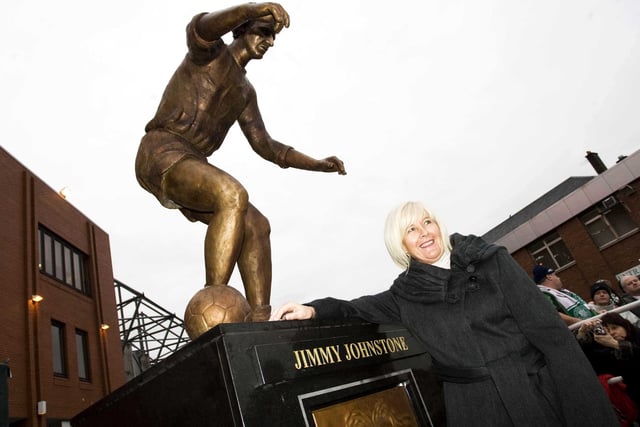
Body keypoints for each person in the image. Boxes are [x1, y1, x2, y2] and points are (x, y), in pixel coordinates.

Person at [271, 201, 618, 427]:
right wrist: (313, 309)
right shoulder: (403, 295)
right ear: (400, 244)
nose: (424, 233)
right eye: (411, 229)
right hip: (474, 408)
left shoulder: (491, 260)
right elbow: (354, 307)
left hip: (536, 392)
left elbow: (551, 336)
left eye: (427, 222)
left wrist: (588, 412)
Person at [134, 3, 346, 322]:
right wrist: (253, 7)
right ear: (242, 29)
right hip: (162, 150)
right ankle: (214, 299)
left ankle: (260, 320)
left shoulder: (245, 93)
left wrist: (318, 163)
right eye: (263, 32)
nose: (269, 42)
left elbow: (269, 147)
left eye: (273, 37)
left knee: (256, 224)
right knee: (232, 194)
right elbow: (200, 26)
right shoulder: (209, 54)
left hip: (192, 164)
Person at [576, 313, 640, 425]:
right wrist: (582, 337)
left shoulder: (637, 334)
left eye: (615, 327)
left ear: (624, 325)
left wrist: (616, 344)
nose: (611, 333)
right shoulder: (605, 349)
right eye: (606, 330)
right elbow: (587, 363)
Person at [533, 265, 597, 325]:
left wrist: (597, 313)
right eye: (555, 275)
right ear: (549, 277)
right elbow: (552, 314)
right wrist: (581, 322)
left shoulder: (563, 292)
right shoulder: (544, 295)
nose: (559, 278)